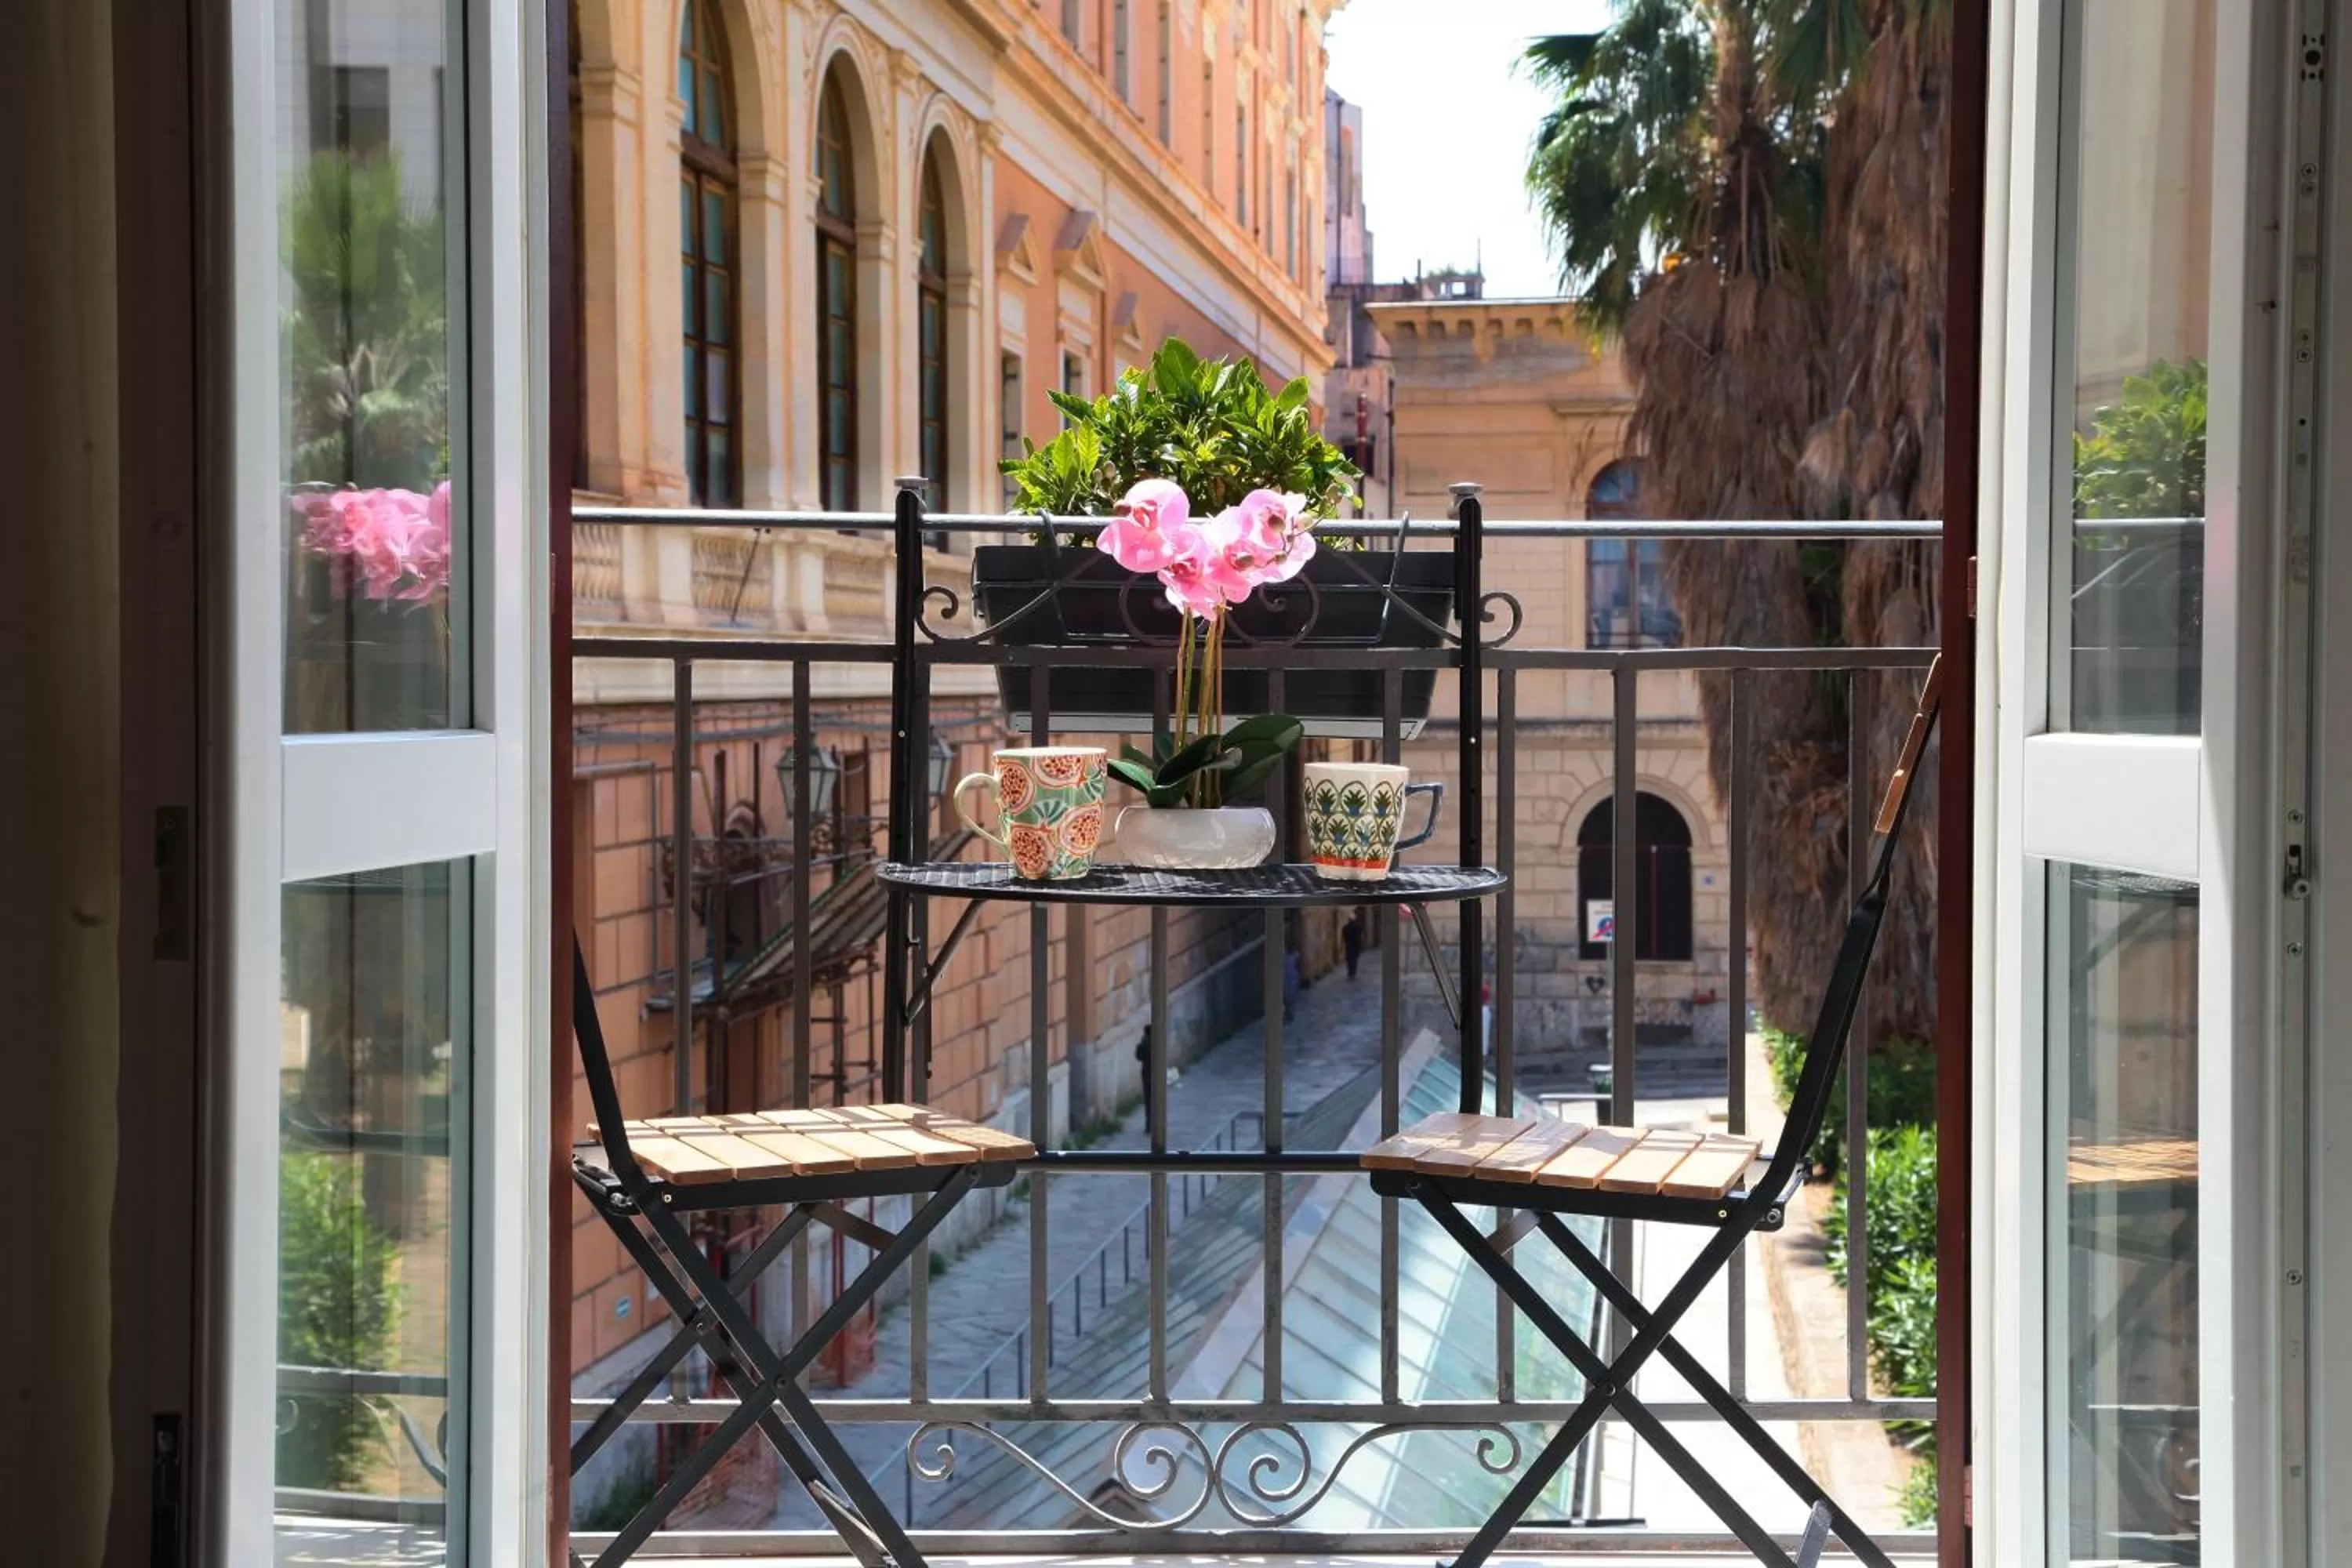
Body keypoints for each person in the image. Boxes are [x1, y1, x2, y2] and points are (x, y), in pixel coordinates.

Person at [1341, 913, 1365, 979]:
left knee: (1349, 960)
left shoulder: (1345, 927)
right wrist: (1361, 945)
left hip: (1348, 946)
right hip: (1356, 946)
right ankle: (1353, 974)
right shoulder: (1358, 926)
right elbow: (1362, 936)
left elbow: (1343, 937)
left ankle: (1350, 973)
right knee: (1354, 960)